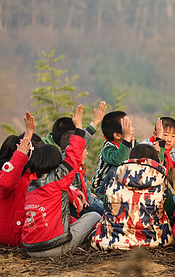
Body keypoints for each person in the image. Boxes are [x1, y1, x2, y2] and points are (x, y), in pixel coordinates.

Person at [21, 105, 101, 257]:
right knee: (94, 217)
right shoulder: (58, 180)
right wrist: (78, 128)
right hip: (53, 248)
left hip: (30, 248)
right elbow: (73, 155)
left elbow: (22, 156)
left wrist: (29, 133)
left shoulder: (29, 182)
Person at [90, 144, 173, 250]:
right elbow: (171, 210)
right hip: (155, 241)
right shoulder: (161, 182)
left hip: (113, 241)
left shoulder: (115, 180)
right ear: (155, 162)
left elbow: (107, 206)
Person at [0, 112, 37, 247]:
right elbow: (8, 182)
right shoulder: (9, 180)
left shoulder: (23, 178)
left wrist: (29, 131)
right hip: (14, 238)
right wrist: (21, 154)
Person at [59, 131, 104, 218]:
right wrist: (93, 126)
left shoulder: (79, 169)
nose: (86, 153)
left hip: (91, 201)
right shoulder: (66, 171)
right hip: (85, 208)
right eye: (85, 149)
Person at [91, 110, 136, 194]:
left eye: (131, 125)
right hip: (102, 189)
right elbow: (119, 160)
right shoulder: (108, 148)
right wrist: (127, 139)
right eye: (128, 127)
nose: (133, 129)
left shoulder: (132, 143)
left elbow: (144, 154)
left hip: (120, 188)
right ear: (117, 135)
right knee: (116, 168)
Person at [42, 101, 107, 151]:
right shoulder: (53, 158)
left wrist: (95, 122)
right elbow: (76, 146)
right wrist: (95, 122)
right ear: (68, 139)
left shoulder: (47, 141)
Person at [141, 117, 175, 189]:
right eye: (165, 135)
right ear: (155, 134)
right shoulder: (146, 147)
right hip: (150, 179)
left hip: (167, 180)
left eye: (173, 136)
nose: (169, 139)